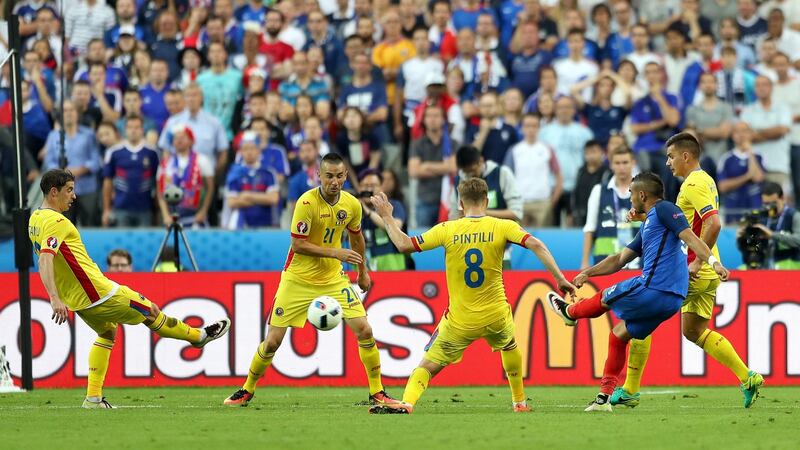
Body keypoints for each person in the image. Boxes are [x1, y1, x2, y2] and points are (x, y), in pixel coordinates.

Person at [367, 178, 575, 414]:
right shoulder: (502, 226)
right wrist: (559, 278)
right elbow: (536, 244)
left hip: (460, 320)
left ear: (460, 204)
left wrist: (386, 216)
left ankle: (407, 402)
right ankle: (520, 402)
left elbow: (404, 245)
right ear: (486, 201)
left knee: (427, 366)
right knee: (509, 344)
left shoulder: (448, 228)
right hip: (495, 315)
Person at [30, 169, 230, 408]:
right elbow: (45, 258)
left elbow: (48, 258)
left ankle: (93, 398)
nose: (74, 196)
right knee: (152, 311)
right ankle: (197, 337)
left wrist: (59, 296)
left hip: (77, 299)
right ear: (54, 192)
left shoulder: (35, 218)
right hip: (98, 292)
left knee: (107, 333)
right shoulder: (56, 221)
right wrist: (53, 298)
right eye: (69, 190)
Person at [225, 153, 398, 407]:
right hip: (298, 278)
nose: (334, 182)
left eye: (339, 176)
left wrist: (363, 272)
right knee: (272, 341)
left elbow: (357, 238)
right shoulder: (306, 203)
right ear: (319, 175)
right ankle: (247, 389)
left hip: (332, 278)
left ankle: (377, 392)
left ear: (346, 176)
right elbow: (298, 244)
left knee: (365, 329)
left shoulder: (351, 204)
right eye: (329, 176)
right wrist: (336, 253)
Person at [548, 172, 730, 412]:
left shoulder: (665, 209)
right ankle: (604, 398)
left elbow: (690, 237)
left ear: (642, 195)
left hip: (653, 287)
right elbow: (619, 259)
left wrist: (713, 262)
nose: (629, 197)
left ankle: (570, 312)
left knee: (604, 297)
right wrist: (587, 273)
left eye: (632, 193)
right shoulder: (651, 223)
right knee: (618, 335)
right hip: (672, 299)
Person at [611, 133, 764, 409]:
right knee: (693, 331)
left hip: (695, 269)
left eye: (671, 156)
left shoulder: (692, 184)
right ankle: (748, 376)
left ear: (685, 156)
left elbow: (713, 224)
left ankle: (630, 389)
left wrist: (696, 261)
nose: (668, 162)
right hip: (707, 272)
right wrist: (643, 215)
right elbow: (685, 223)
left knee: (643, 317)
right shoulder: (705, 180)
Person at [43, 100, 102, 226]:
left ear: (77, 113)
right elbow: (48, 162)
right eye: (65, 110)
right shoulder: (53, 136)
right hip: (63, 190)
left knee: (90, 224)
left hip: (87, 188)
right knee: (65, 226)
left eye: (72, 110)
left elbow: (96, 160)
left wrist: (81, 169)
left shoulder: (89, 135)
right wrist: (62, 173)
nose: (69, 113)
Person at [539, 96, 594, 226]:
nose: (564, 110)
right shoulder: (544, 132)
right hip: (551, 186)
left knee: (575, 224)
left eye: (568, 107)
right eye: (561, 107)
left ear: (574, 110)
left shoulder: (584, 132)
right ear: (555, 110)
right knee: (551, 225)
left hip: (577, 186)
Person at [581, 146, 638, 269]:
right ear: (611, 165)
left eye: (625, 162)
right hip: (605, 262)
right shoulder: (598, 190)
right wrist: (585, 262)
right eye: (617, 163)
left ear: (633, 163)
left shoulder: (643, 191)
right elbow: (590, 228)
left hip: (638, 261)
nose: (621, 167)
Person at [503, 114, 562, 227]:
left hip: (543, 202)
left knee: (543, 241)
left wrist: (553, 199)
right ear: (522, 128)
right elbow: (506, 177)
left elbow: (558, 174)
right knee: (520, 239)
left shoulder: (547, 149)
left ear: (539, 128)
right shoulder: (514, 150)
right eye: (527, 126)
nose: (531, 129)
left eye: (534, 126)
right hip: (520, 202)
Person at [102, 115, 160, 228]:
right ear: (125, 130)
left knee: (144, 243)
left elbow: (157, 182)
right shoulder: (114, 152)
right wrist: (106, 209)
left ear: (142, 130)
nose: (133, 130)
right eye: (130, 127)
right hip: (121, 208)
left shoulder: (152, 152)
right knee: (122, 244)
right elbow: (107, 182)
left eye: (137, 127)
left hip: (145, 208)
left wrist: (157, 210)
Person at [156, 124, 216, 228]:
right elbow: (160, 192)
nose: (179, 141)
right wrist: (165, 215)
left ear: (191, 140)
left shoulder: (202, 160)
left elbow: (209, 188)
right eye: (176, 138)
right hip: (171, 217)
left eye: (183, 137)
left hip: (194, 216)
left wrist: (203, 211)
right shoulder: (165, 163)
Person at [740, 75, 792, 189]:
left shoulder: (782, 108)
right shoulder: (748, 110)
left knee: (779, 205)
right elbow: (744, 136)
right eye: (757, 85)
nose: (761, 88)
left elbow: (782, 130)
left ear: (771, 87)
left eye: (765, 84)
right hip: (755, 168)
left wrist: (756, 133)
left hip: (778, 166)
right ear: (754, 89)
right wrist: (773, 133)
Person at [408, 105, 456, 227]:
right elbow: (414, 171)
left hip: (449, 200)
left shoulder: (452, 143)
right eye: (429, 116)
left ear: (443, 119)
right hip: (425, 199)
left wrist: (427, 166)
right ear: (424, 120)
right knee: (424, 241)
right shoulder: (417, 144)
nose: (432, 119)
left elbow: (453, 168)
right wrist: (444, 168)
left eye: (436, 115)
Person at [222, 132, 281, 229]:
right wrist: (262, 198)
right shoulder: (234, 173)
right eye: (245, 149)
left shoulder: (269, 172)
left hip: (266, 224)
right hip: (241, 225)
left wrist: (247, 196)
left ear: (258, 150)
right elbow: (232, 202)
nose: (249, 152)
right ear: (241, 152)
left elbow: (273, 199)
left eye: (252, 148)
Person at [737, 181, 800, 269]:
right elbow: (751, 248)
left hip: (789, 264)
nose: (769, 208)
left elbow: (798, 240)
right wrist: (743, 238)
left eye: (773, 203)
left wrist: (772, 235)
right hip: (765, 262)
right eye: (766, 204)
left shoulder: (794, 216)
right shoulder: (761, 217)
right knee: (741, 269)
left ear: (782, 198)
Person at [359, 169, 408, 271]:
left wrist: (367, 212)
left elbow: (396, 227)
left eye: (372, 185)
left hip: (392, 268)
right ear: (359, 188)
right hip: (363, 268)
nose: (368, 189)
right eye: (365, 186)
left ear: (381, 187)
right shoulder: (353, 209)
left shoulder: (393, 205)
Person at [718, 121, 766, 224]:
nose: (741, 134)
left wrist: (750, 152)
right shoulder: (726, 158)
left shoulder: (758, 156)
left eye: (745, 131)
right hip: (733, 210)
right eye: (737, 131)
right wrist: (747, 177)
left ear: (750, 133)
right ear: (733, 135)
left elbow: (758, 177)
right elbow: (722, 186)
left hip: (754, 209)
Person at [686, 72, 735, 163]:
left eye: (711, 82)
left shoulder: (726, 108)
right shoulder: (692, 109)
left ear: (717, 85)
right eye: (704, 82)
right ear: (699, 86)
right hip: (699, 160)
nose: (708, 85)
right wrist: (715, 131)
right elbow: (691, 135)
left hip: (721, 158)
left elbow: (724, 133)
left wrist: (699, 130)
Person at [572, 140, 611, 228]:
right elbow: (576, 193)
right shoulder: (580, 172)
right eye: (587, 153)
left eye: (593, 152)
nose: (591, 156)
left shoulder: (607, 172)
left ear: (602, 152)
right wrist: (573, 213)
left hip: (600, 215)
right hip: (581, 215)